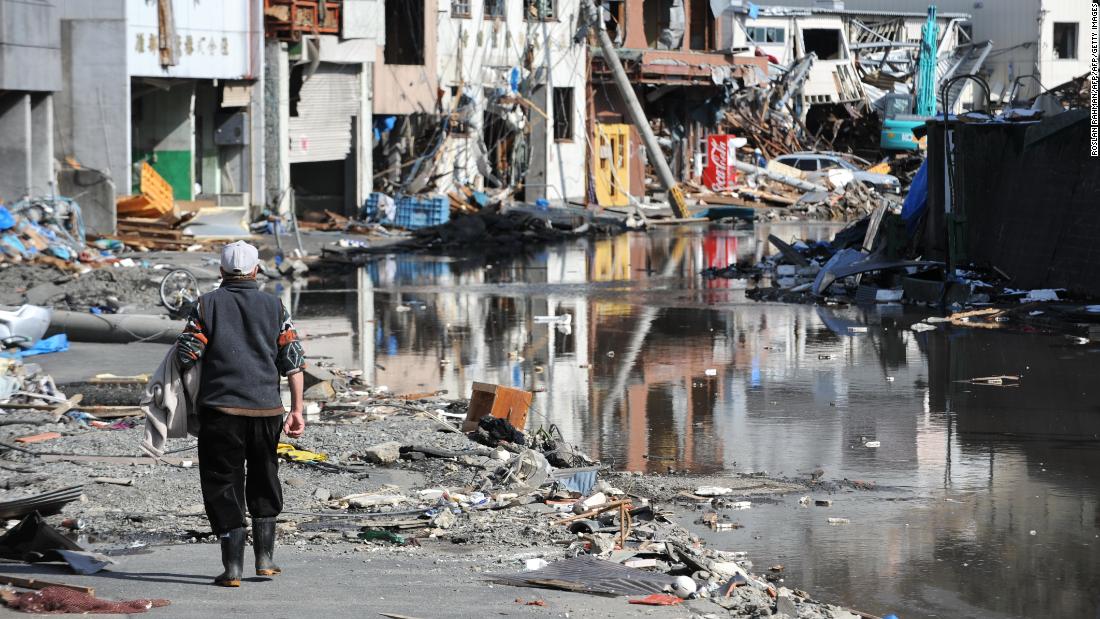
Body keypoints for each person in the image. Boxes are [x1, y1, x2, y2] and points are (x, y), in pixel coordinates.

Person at [176, 241, 306, 587]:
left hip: (221, 411)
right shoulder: (275, 307)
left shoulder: (206, 304)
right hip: (267, 412)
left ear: (221, 272)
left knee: (222, 482)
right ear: (256, 271)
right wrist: (296, 410)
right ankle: (265, 560)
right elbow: (293, 363)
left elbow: (187, 354)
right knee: (264, 475)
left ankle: (232, 569)